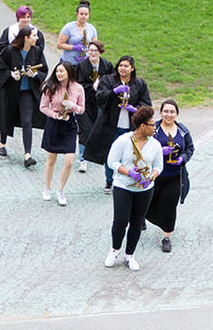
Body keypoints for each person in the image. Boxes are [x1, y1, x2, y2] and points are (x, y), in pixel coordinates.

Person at [103, 106, 163, 271]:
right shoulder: (123, 141)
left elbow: (159, 166)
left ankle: (130, 255)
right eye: (152, 125)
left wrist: (152, 176)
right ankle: (115, 249)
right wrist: (129, 172)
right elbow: (112, 161)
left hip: (145, 189)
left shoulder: (155, 145)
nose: (155, 128)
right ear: (143, 126)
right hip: (123, 186)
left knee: (137, 222)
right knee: (121, 220)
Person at [82, 55, 151, 194]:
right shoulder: (108, 80)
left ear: (132, 68)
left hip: (130, 127)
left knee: (130, 155)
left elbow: (146, 104)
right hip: (110, 125)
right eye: (120, 65)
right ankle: (109, 181)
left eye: (126, 66)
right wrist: (113, 92)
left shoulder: (139, 84)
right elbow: (99, 98)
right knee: (111, 154)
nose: (122, 68)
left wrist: (135, 110)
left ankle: (127, 180)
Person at [0, 26, 48, 167]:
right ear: (26, 38)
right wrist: (10, 75)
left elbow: (44, 69)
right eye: (34, 36)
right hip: (10, 91)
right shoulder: (9, 51)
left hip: (27, 92)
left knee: (27, 121)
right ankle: (2, 143)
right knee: (6, 116)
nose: (37, 38)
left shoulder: (37, 51)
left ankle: (27, 154)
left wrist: (35, 75)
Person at [146, 99, 194, 253]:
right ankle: (142, 217)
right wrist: (159, 152)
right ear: (160, 113)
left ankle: (166, 237)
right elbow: (142, 148)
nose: (169, 114)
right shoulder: (152, 129)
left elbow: (190, 148)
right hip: (155, 175)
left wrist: (183, 159)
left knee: (170, 205)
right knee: (147, 202)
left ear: (177, 114)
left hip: (174, 175)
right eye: (166, 111)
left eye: (172, 111)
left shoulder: (183, 131)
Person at [39, 62, 85, 206]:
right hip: (55, 122)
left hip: (69, 123)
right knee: (51, 159)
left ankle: (61, 190)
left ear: (69, 72)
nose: (59, 74)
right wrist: (55, 115)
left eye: (62, 71)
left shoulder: (78, 88)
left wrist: (73, 106)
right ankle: (47, 188)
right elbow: (43, 107)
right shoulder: (50, 87)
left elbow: (82, 109)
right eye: (57, 71)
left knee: (69, 161)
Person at [75, 39, 113, 173]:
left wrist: (102, 88)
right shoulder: (82, 66)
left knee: (99, 128)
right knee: (85, 130)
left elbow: (112, 81)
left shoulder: (107, 65)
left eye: (95, 51)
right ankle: (83, 158)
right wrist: (92, 87)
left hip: (100, 103)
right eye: (90, 50)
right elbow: (78, 85)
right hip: (85, 102)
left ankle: (97, 155)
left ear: (100, 52)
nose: (93, 53)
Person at [56, 0, 97, 65]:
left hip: (84, 64)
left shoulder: (92, 29)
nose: (83, 16)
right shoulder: (68, 27)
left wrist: (88, 54)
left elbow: (95, 46)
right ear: (77, 14)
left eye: (86, 14)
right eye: (81, 14)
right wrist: (74, 47)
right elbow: (59, 45)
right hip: (68, 63)